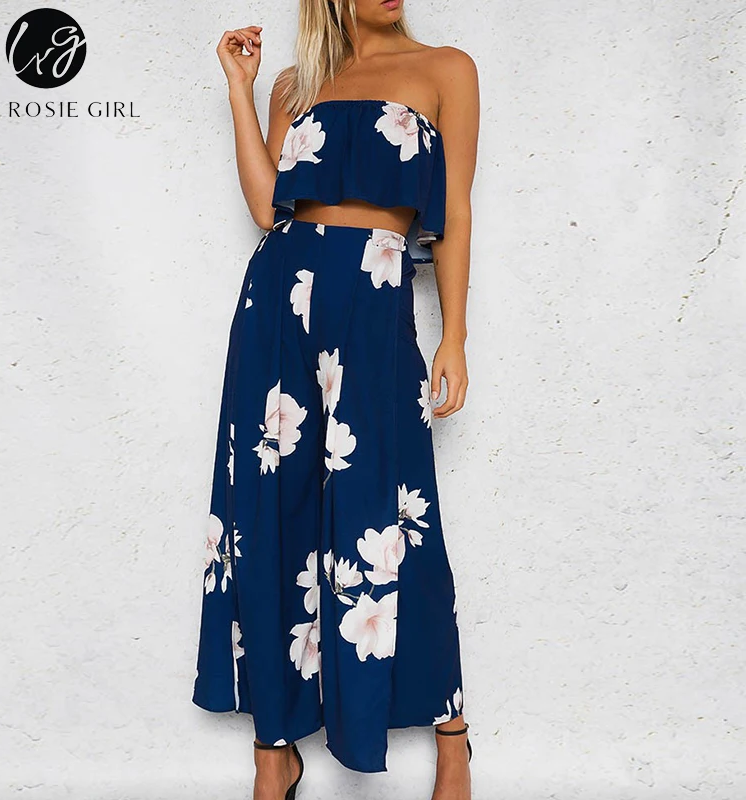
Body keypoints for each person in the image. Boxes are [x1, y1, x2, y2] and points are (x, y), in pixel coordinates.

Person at [192, 1, 480, 798]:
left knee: (395, 511)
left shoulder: (446, 69)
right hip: (277, 301)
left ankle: (453, 733)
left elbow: (454, 212)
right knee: (268, 514)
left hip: (376, 297)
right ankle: (274, 749)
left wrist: (454, 335)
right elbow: (267, 207)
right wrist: (242, 89)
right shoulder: (297, 83)